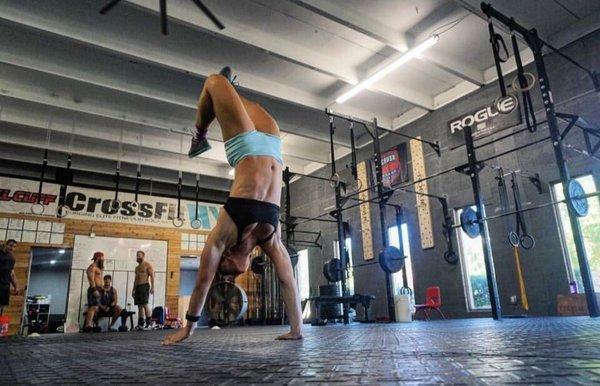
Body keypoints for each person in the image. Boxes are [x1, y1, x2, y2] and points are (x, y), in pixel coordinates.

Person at [163, 67, 302, 346]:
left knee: (214, 82)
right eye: (234, 270)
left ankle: (199, 136)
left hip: (245, 146)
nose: (229, 267)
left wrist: (187, 329)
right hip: (271, 144)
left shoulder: (225, 231)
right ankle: (230, 88)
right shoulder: (269, 238)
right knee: (224, 89)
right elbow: (288, 279)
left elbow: (203, 280)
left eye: (224, 267)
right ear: (248, 262)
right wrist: (296, 329)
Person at [83, 251, 104, 332]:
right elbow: (91, 280)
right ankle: (88, 325)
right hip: (94, 289)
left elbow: (100, 279)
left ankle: (92, 325)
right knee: (93, 307)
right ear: (98, 258)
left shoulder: (99, 268)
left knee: (96, 308)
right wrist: (94, 289)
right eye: (102, 258)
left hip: (99, 289)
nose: (103, 259)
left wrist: (102, 289)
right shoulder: (92, 267)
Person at [133, 250, 154, 330]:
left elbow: (152, 276)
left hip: (144, 286)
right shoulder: (137, 268)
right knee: (139, 306)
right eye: (137, 255)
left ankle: (149, 322)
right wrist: (133, 289)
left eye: (139, 255)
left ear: (143, 256)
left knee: (145, 304)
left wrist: (152, 287)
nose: (137, 257)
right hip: (138, 287)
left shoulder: (147, 265)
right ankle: (140, 323)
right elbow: (136, 279)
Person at [0, 239, 21, 316]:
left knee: (2, 307)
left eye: (14, 247)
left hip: (5, 285)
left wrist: (16, 286)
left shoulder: (11, 258)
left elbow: (12, 273)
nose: (12, 248)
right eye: (10, 246)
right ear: (6, 244)